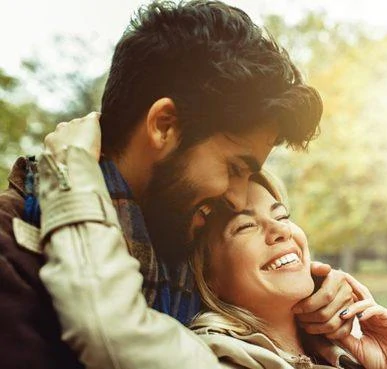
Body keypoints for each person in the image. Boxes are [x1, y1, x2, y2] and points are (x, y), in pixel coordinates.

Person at [0, 2, 354, 368]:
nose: (236, 198)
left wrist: (315, 314)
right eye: (235, 168)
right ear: (164, 125)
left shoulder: (184, 239)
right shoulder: (14, 250)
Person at [37, 122, 387, 368]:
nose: (279, 232)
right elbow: (111, 328)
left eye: (282, 215)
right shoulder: (218, 355)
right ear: (209, 277)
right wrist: (69, 167)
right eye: (243, 227)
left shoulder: (339, 353)